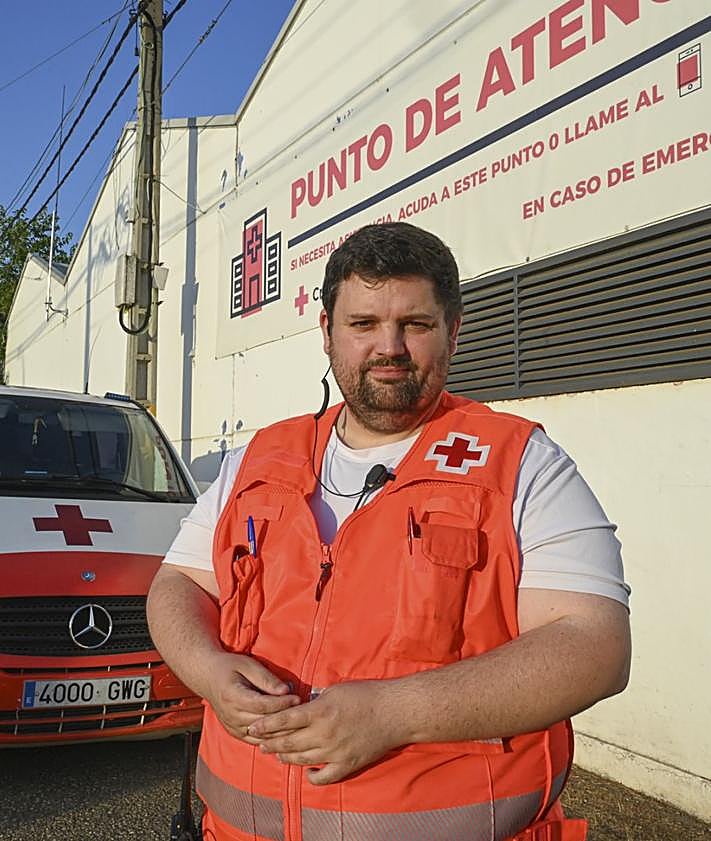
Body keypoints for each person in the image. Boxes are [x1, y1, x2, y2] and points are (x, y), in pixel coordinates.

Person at [147, 222, 631, 841]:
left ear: (453, 331)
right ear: (327, 332)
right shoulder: (258, 458)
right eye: (363, 323)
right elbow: (179, 585)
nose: (389, 347)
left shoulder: (522, 464)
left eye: (416, 324)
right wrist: (209, 670)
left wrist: (393, 714)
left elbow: (595, 646)